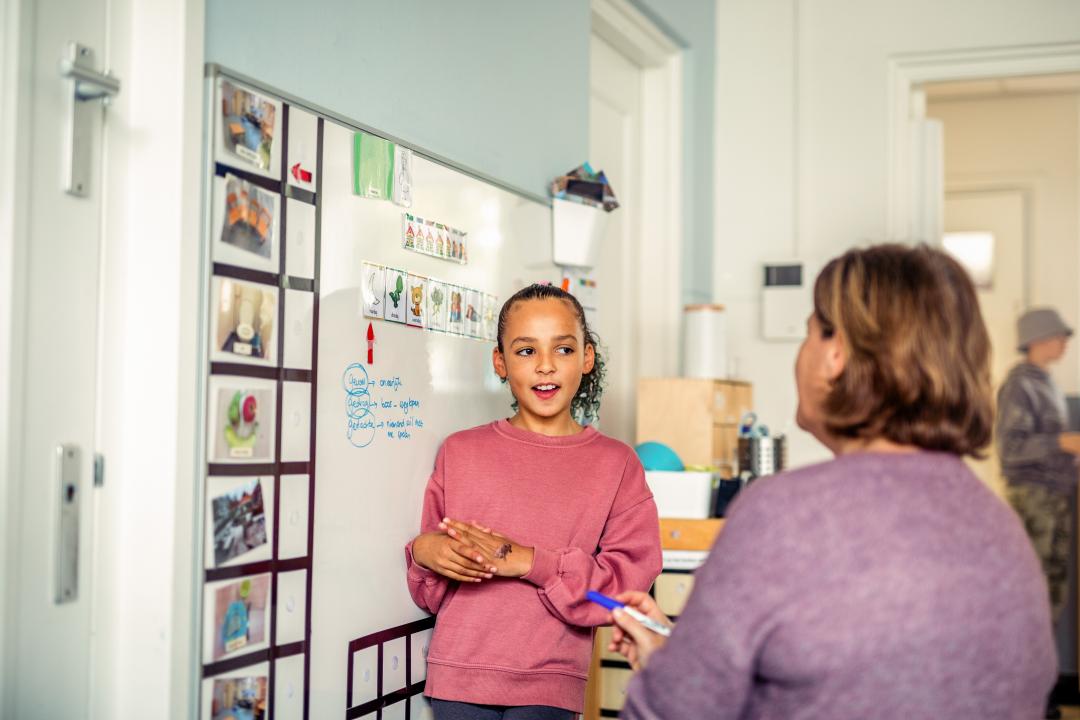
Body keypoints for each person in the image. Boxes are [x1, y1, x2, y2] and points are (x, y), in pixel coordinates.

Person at [607, 244, 1056, 719]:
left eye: (809, 335)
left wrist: (668, 682)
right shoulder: (1001, 528)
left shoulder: (783, 514)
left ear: (835, 354)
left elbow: (669, 714)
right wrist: (679, 661)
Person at [404, 284, 662, 719]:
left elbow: (624, 591)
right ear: (500, 363)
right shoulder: (460, 451)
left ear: (586, 357)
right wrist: (424, 552)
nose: (545, 366)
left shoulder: (616, 464)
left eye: (562, 349)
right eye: (526, 352)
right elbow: (430, 590)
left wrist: (528, 561)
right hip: (455, 679)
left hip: (550, 687)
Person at [997, 307, 1080, 718]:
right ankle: (1028, 695)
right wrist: (1062, 444)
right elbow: (1010, 450)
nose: (1065, 343)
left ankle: (1040, 692)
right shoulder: (1019, 385)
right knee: (1035, 596)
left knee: (1053, 596)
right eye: (1058, 336)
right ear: (1038, 340)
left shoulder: (1046, 382)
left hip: (1055, 499)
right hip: (1034, 502)